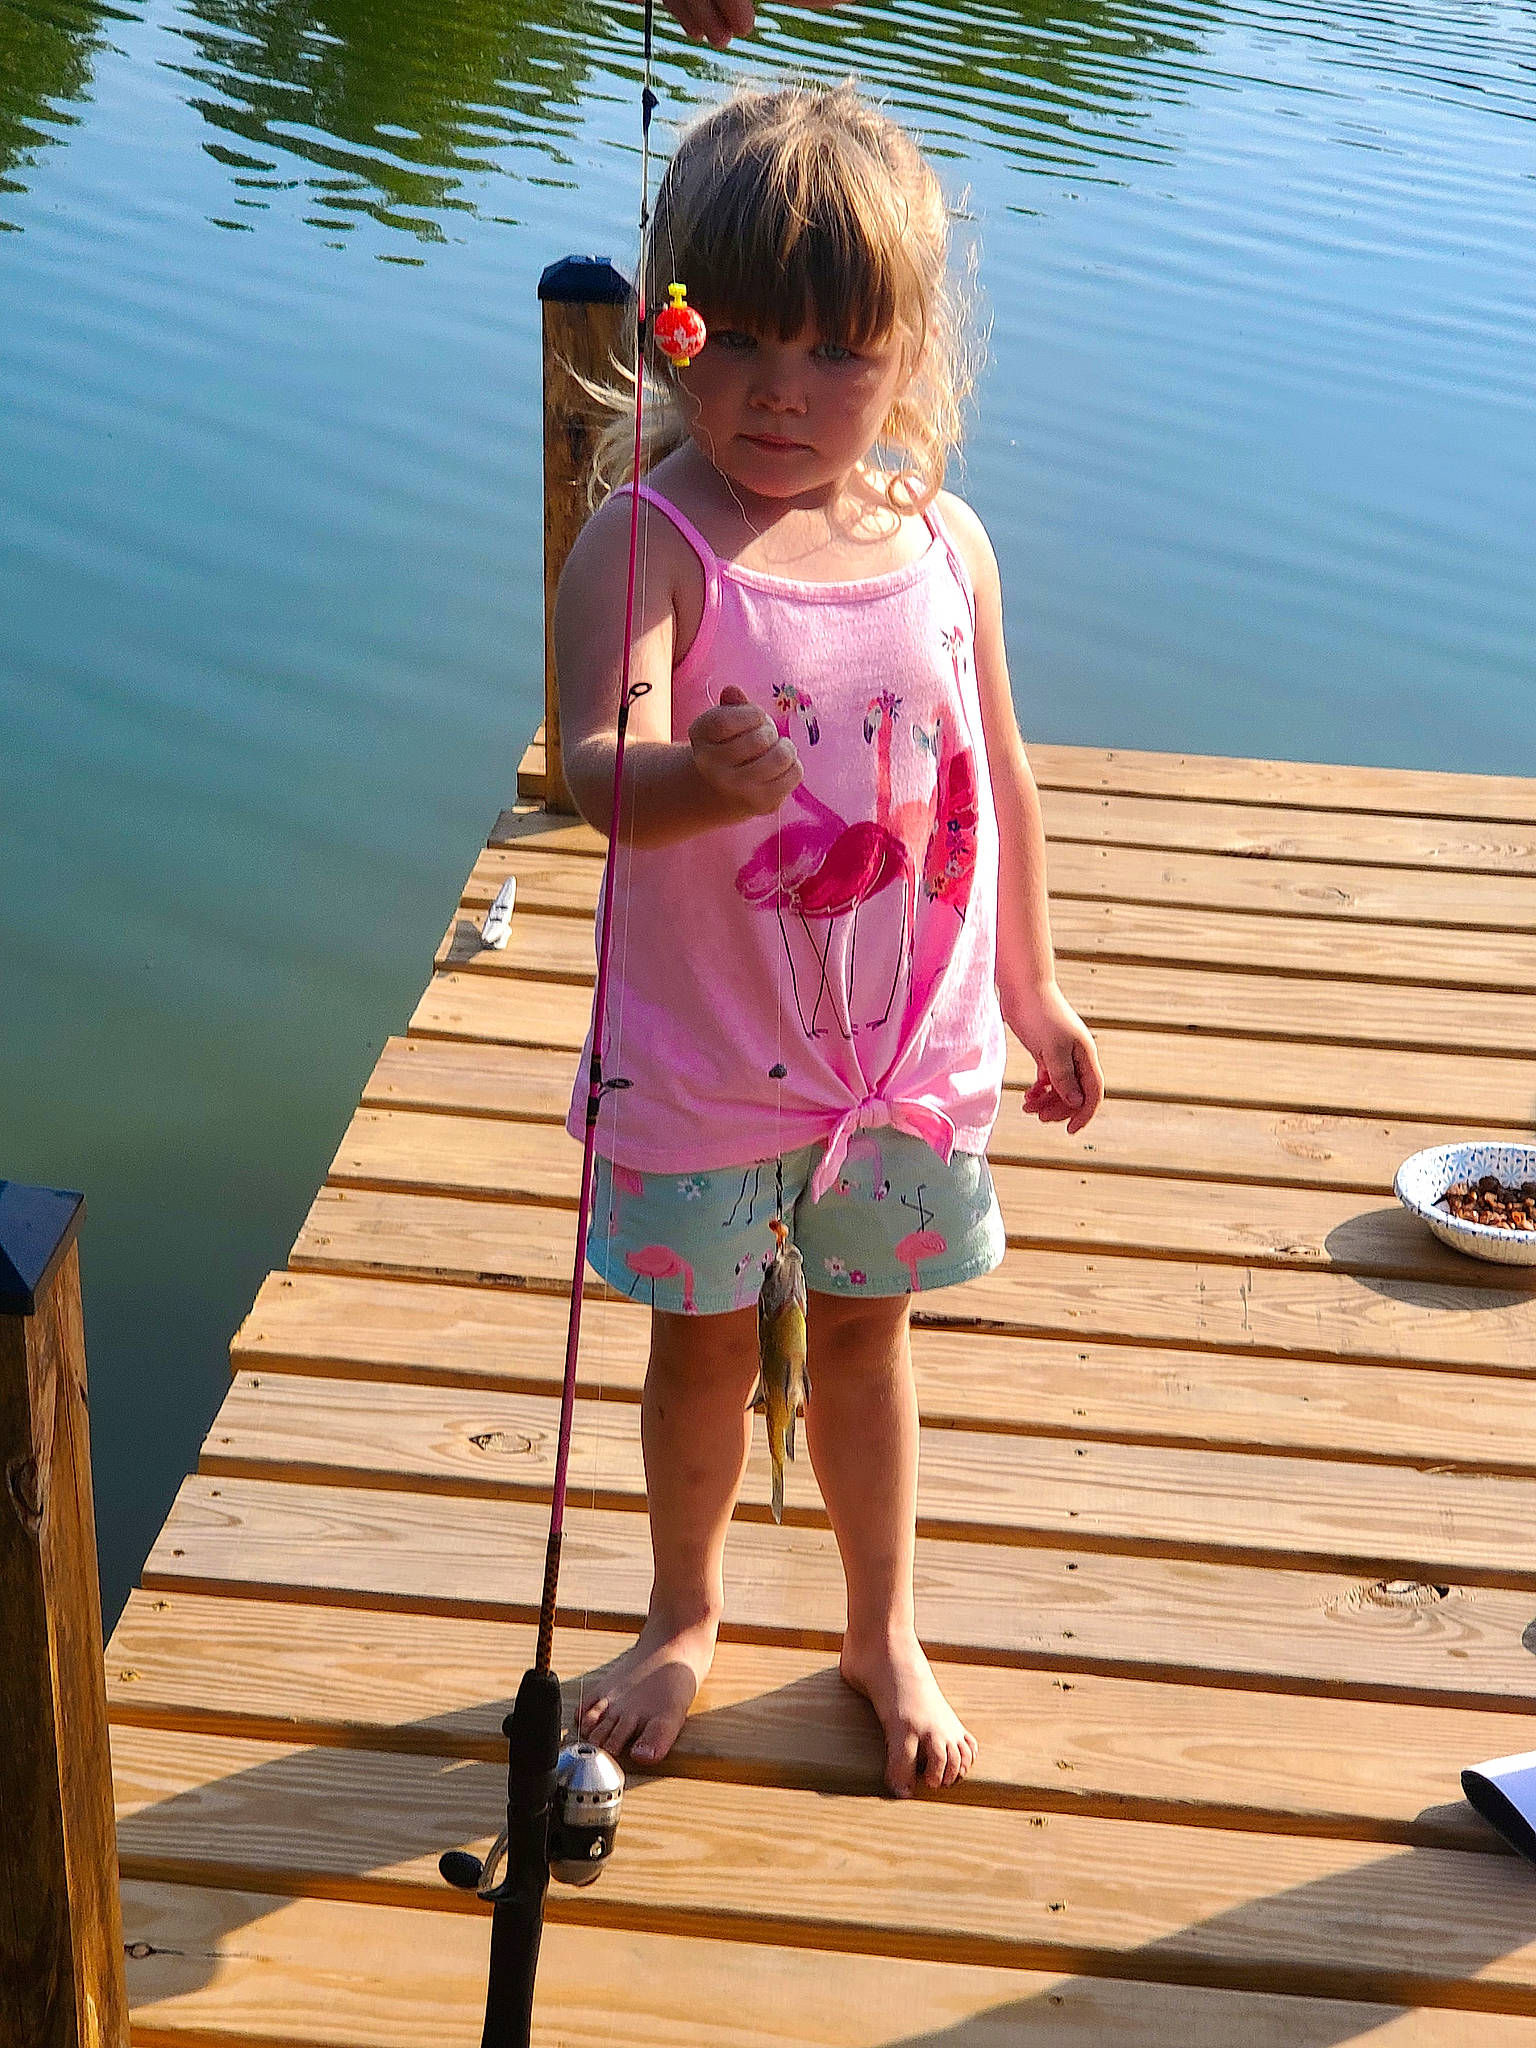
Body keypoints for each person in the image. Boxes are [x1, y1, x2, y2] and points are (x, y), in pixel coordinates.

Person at [555, 82, 1104, 1798]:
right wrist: (687, 780)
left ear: (909, 352)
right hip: (707, 1066)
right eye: (738, 345)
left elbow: (994, 772)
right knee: (699, 1352)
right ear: (667, 331)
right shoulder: (641, 544)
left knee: (871, 1343)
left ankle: (881, 1627)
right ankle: (685, 1612)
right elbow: (591, 771)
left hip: (903, 1070)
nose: (782, 392)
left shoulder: (946, 543)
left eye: (838, 351)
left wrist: (1032, 985)